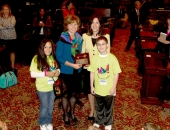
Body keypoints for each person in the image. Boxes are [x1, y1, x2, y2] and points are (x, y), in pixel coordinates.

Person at [88, 36, 121, 130]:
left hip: (109, 89)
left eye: (103, 44)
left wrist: (114, 87)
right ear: (96, 46)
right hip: (98, 88)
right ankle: (98, 120)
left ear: (107, 45)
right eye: (99, 44)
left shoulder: (112, 58)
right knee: (98, 106)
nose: (101, 46)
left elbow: (116, 74)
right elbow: (92, 72)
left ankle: (108, 122)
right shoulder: (94, 58)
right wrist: (91, 86)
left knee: (109, 107)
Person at [82, 15, 110, 121]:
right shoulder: (85, 36)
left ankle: (99, 110)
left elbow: (108, 53)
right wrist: (83, 62)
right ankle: (92, 110)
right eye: (92, 23)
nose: (94, 25)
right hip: (88, 69)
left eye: (97, 22)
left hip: (100, 70)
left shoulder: (106, 36)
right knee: (90, 90)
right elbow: (83, 52)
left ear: (100, 24)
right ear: (90, 24)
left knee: (99, 90)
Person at [56, 15, 82, 125]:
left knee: (74, 94)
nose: (73, 26)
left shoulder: (79, 38)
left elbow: (81, 54)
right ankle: (65, 114)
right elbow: (59, 56)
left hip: (77, 71)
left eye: (75, 24)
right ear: (66, 25)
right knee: (65, 94)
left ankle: (72, 113)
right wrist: (72, 65)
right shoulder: (62, 39)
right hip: (66, 71)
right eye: (71, 24)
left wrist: (82, 63)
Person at [30, 38, 60, 130]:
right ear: (41, 48)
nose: (48, 49)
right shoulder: (36, 58)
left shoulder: (52, 57)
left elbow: (58, 68)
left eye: (50, 47)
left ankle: (48, 121)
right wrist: (45, 74)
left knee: (50, 106)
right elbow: (32, 74)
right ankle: (42, 122)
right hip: (42, 88)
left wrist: (58, 71)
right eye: (45, 47)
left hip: (52, 87)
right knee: (44, 106)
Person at [0, 4, 17, 69]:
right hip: (3, 38)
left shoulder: (12, 17)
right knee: (3, 53)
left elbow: (12, 25)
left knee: (12, 52)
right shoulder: (0, 18)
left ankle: (12, 65)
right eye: (4, 9)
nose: (6, 11)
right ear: (2, 10)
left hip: (12, 37)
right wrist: (7, 26)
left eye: (7, 9)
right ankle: (4, 66)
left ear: (9, 10)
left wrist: (2, 25)